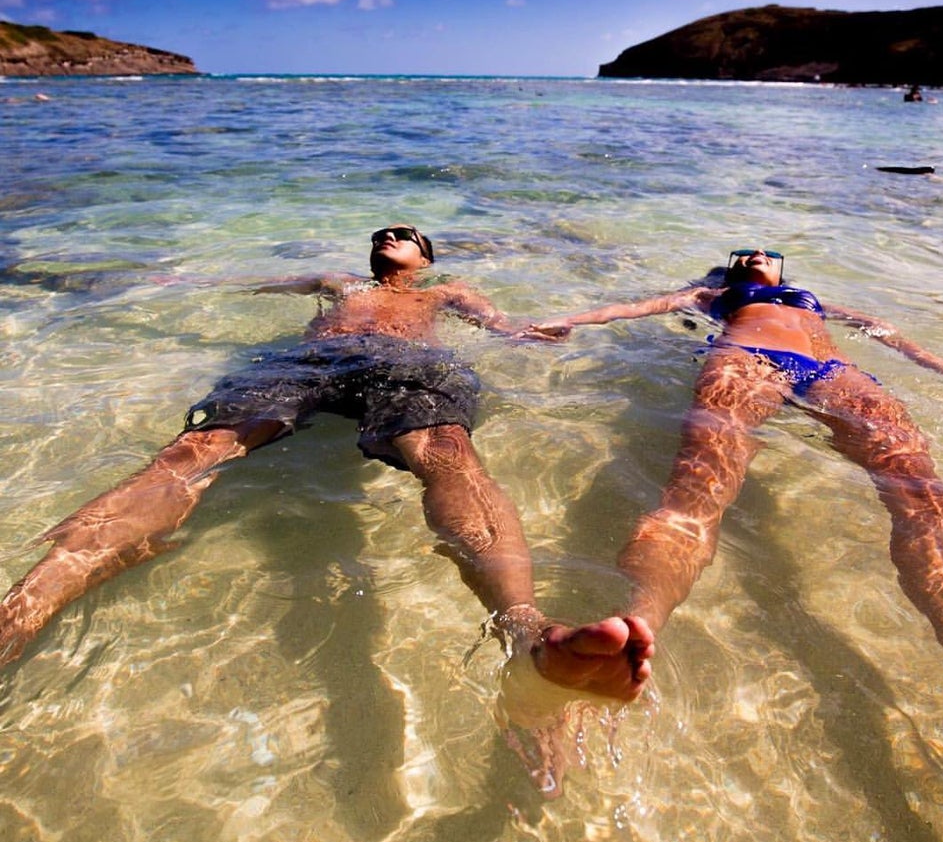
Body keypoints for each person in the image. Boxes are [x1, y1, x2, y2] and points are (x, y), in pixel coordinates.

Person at [0, 225, 653, 701]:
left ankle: (526, 633)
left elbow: (504, 322)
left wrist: (537, 330)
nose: (392, 235)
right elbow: (231, 284)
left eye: (407, 235)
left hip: (407, 362)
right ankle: (20, 613)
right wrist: (142, 282)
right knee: (190, 455)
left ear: (425, 258)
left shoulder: (448, 290)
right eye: (384, 233)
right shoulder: (335, 283)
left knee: (450, 460)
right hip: (308, 362)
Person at [529, 248, 943, 694]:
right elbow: (637, 307)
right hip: (745, 362)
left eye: (767, 255)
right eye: (745, 254)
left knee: (920, 492)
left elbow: (886, 332)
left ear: (780, 270)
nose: (756, 255)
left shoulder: (810, 299)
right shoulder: (709, 293)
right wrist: (570, 320)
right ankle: (638, 625)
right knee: (695, 494)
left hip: (836, 373)